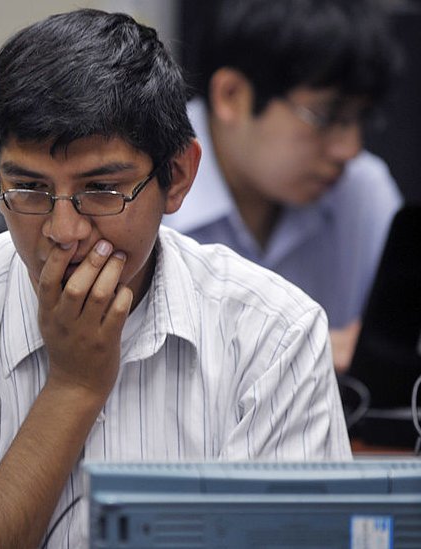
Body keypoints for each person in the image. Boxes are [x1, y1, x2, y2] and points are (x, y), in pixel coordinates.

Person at [0, 9, 351, 549]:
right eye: (30, 189)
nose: (64, 231)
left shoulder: (274, 334)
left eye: (102, 189)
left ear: (176, 176)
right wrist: (73, 387)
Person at [163, 0, 402, 373]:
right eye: (327, 116)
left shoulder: (361, 189)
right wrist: (313, 347)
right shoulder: (142, 184)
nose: (349, 149)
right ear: (232, 95)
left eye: (360, 118)